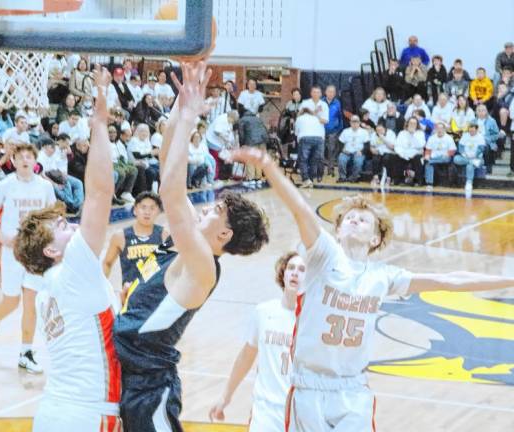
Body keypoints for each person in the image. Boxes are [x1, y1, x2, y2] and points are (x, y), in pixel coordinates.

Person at [229, 149, 514, 432]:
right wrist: (270, 167)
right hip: (308, 386)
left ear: (376, 237)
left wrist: (509, 281)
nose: (354, 220)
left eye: (363, 220)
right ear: (337, 231)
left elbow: (449, 280)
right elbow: (301, 210)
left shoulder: (383, 277)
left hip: (353, 389)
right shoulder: (323, 256)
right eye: (348, 218)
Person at [114, 62, 269, 432]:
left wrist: (188, 118)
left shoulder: (202, 264)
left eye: (216, 210)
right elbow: (167, 162)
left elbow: (170, 189)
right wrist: (178, 108)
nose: (204, 209)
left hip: (150, 386)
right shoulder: (188, 249)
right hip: (126, 370)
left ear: (225, 235)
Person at [12, 66, 122, 431]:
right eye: (60, 227)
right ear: (51, 252)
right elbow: (101, 194)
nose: (71, 225)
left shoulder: (48, 292)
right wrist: (101, 122)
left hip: (53, 413)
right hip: (87, 414)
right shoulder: (73, 267)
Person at [0, 143, 57, 373]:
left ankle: (26, 352)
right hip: (12, 252)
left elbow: (52, 217)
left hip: (35, 253)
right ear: (13, 160)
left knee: (31, 302)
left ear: (35, 161)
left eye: (29, 157)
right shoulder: (5, 185)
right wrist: (2, 237)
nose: (25, 160)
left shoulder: (44, 187)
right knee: (11, 302)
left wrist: (49, 242)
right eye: (20, 156)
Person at [208, 251, 306, 431]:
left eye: (301, 270)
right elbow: (246, 356)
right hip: (265, 412)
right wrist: (226, 396)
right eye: (291, 268)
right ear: (283, 274)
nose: (295, 273)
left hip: (300, 414)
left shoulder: (312, 321)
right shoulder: (263, 312)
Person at [103, 191, 167, 297]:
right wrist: (103, 289)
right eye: (143, 207)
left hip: (157, 296)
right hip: (130, 297)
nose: (147, 212)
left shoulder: (164, 235)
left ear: (158, 211)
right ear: (135, 210)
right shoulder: (120, 236)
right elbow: (107, 263)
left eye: (152, 208)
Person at [37, 136, 84, 214]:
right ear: (45, 147)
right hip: (46, 180)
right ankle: (74, 207)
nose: (53, 149)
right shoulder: (40, 156)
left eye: (54, 147)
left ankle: (77, 206)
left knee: (74, 183)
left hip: (56, 176)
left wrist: (62, 178)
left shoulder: (51, 155)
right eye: (51, 147)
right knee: (60, 188)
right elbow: (42, 175)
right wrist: (55, 183)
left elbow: (56, 170)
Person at [238, 109, 269, 184]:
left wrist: (242, 144)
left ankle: (251, 178)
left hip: (251, 141)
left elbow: (241, 133)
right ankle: (258, 178)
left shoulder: (242, 120)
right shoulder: (257, 119)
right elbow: (265, 129)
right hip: (262, 140)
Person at [424, 123, 457, 191]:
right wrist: (427, 156)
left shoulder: (449, 138)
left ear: (444, 129)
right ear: (435, 130)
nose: (439, 130)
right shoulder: (431, 138)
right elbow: (428, 150)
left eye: (441, 128)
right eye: (438, 128)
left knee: (431, 161)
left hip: (444, 157)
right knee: (428, 163)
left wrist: (448, 154)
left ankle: (430, 161)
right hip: (434, 157)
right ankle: (429, 184)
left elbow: (453, 150)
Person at [337, 115, 369, 183]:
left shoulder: (364, 132)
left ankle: (354, 178)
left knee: (358, 162)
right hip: (347, 152)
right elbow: (340, 143)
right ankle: (342, 177)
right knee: (341, 159)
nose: (354, 123)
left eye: (356, 122)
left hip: (358, 152)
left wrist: (362, 151)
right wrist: (342, 150)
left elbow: (367, 145)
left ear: (359, 122)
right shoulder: (345, 131)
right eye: (353, 122)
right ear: (350, 122)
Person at [395, 117, 426, 186]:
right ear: (407, 124)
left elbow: (421, 145)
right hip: (404, 154)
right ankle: (399, 180)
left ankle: (418, 181)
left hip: (415, 154)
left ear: (417, 125)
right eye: (411, 123)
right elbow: (397, 146)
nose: (412, 125)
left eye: (414, 123)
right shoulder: (402, 133)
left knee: (418, 158)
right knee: (396, 157)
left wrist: (413, 134)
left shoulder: (420, 133)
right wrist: (401, 154)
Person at [321, 85, 344, 177]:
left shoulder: (337, 103)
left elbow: (340, 117)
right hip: (321, 131)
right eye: (329, 91)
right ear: (325, 92)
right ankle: (321, 169)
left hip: (333, 131)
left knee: (332, 151)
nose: (331, 93)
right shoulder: (320, 102)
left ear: (335, 93)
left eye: (333, 92)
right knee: (321, 151)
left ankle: (330, 170)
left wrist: (338, 129)